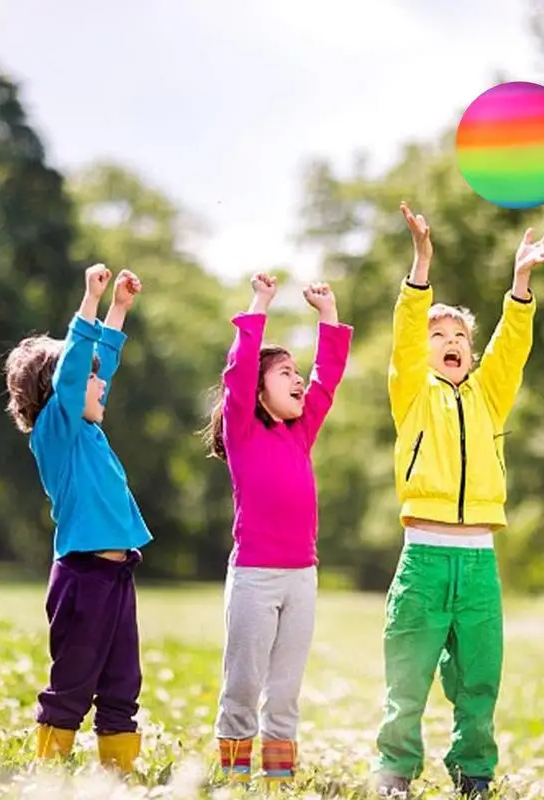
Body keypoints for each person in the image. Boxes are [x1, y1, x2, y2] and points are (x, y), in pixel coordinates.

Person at [373, 203, 544, 798]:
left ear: (471, 351)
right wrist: (421, 263)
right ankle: (394, 770)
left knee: (480, 679)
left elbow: (511, 348)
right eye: (439, 336)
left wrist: (520, 284)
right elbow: (406, 339)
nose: (449, 342)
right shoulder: (412, 393)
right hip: (424, 562)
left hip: (480, 564)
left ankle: (474, 773)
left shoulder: (487, 396)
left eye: (460, 336)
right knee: (406, 680)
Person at [203, 273, 352, 785]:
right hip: (254, 578)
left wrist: (328, 316)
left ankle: (278, 780)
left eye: (297, 372)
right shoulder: (242, 432)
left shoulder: (301, 431)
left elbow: (328, 377)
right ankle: (234, 779)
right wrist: (260, 303)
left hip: (301, 578)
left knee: (285, 689)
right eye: (285, 372)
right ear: (259, 392)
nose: (298, 380)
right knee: (243, 684)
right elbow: (237, 372)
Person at [4, 265, 151, 773]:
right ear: (59, 390)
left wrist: (119, 310)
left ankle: (118, 770)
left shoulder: (88, 430)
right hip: (82, 578)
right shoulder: (57, 433)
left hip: (116, 575)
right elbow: (75, 375)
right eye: (90, 377)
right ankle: (50, 766)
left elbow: (97, 365)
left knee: (121, 680)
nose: (101, 384)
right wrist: (91, 298)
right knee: (73, 678)